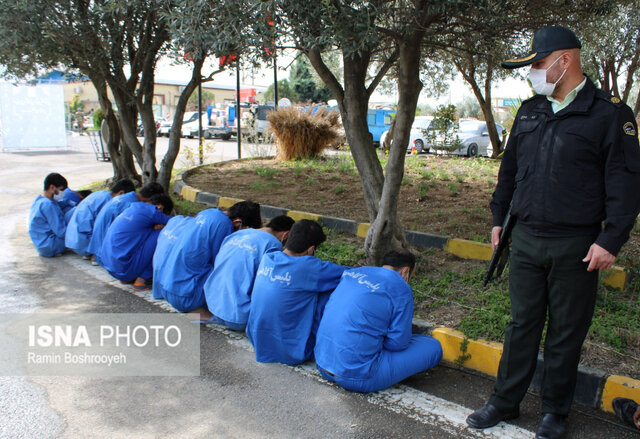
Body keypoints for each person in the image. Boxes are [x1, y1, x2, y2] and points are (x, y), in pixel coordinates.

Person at [466, 26, 640, 439]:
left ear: (565, 60)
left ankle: (554, 412)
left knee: (566, 331)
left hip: (576, 244)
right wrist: (497, 218)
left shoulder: (609, 114)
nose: (534, 73)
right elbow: (508, 174)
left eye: (539, 64)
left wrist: (610, 239)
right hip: (524, 237)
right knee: (521, 324)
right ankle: (504, 401)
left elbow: (626, 184)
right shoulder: (530, 111)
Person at [314, 250, 443, 393]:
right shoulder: (401, 287)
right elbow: (397, 343)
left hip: (322, 363)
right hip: (357, 376)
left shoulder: (354, 273)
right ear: (405, 271)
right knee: (433, 347)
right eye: (411, 276)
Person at [246, 219, 348, 365]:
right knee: (328, 292)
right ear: (311, 249)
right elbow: (351, 275)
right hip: (293, 352)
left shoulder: (269, 257)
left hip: (258, 341)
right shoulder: (311, 268)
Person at [152, 201, 262, 314]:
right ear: (238, 222)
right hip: (186, 298)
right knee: (230, 269)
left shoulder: (208, 213)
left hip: (166, 287)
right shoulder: (224, 225)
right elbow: (220, 262)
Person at [204, 215, 295, 330]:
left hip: (212, 305)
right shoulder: (273, 245)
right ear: (286, 234)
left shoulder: (238, 234)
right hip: (239, 318)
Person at [100, 193, 173, 289]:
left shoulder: (132, 207)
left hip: (109, 265)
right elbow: (176, 223)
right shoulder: (153, 212)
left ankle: (127, 277)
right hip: (124, 269)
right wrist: (163, 227)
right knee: (163, 234)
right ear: (160, 207)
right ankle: (141, 281)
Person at [88, 182, 165, 266]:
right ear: (152, 198)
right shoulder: (131, 205)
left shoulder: (125, 198)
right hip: (106, 255)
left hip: (97, 249)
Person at [64, 179, 135, 257]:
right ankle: (95, 255)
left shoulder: (99, 194)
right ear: (121, 193)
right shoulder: (110, 202)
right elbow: (102, 228)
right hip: (83, 243)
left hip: (71, 240)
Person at [28, 173, 69, 257]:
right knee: (72, 215)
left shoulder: (40, 200)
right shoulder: (49, 205)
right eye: (61, 190)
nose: (62, 193)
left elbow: (62, 204)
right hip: (51, 245)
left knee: (68, 208)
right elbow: (61, 232)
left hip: (41, 245)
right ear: (52, 188)